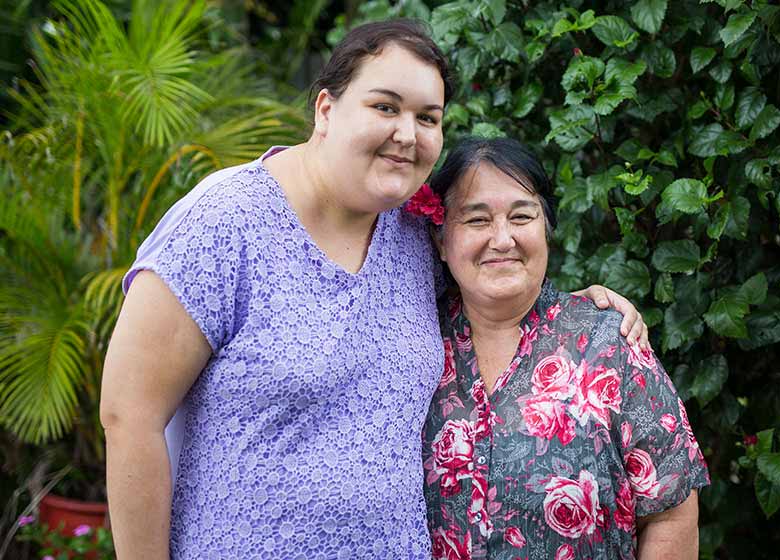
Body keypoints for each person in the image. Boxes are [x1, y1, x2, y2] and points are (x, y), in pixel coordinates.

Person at [99, 20, 649, 559]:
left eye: (427, 117)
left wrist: (582, 306)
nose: (406, 133)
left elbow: (492, 286)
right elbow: (129, 415)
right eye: (385, 107)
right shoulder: (226, 223)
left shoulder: (411, 231)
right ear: (325, 109)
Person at [419, 136, 709, 560]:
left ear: (547, 229)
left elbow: (671, 510)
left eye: (521, 216)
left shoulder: (610, 343)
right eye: (476, 220)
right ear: (442, 241)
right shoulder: (412, 345)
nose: (502, 239)